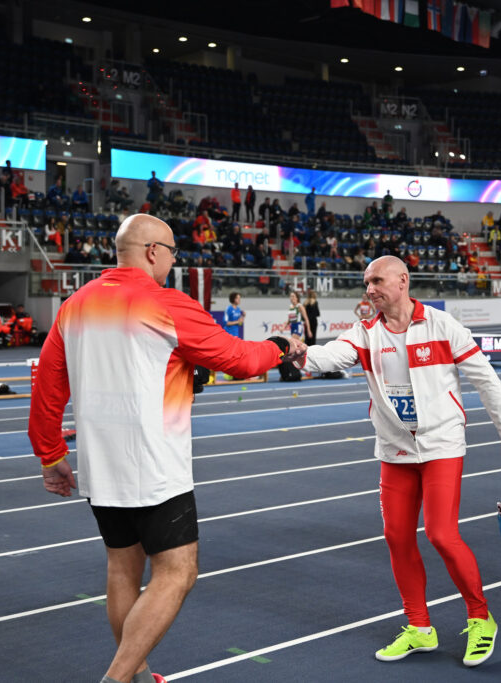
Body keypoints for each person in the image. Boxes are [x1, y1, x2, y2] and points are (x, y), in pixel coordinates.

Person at [28, 214, 302, 683]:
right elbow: (239, 360)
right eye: (173, 252)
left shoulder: (74, 304)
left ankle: (136, 675)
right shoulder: (165, 302)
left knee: (122, 569)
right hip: (154, 464)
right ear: (153, 251)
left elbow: (48, 388)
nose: (174, 261)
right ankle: (117, 679)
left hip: (100, 464)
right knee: (178, 572)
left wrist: (51, 456)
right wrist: (281, 345)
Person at [291, 256, 501, 667]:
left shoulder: (441, 326)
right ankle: (419, 626)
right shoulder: (366, 333)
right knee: (397, 537)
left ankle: (480, 617)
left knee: (441, 534)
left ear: (403, 281)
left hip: (441, 446)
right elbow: (329, 356)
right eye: (366, 282)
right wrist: (300, 355)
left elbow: (485, 379)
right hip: (394, 450)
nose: (370, 289)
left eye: (377, 281)